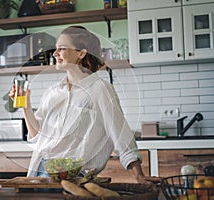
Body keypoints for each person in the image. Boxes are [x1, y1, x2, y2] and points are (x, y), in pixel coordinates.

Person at [9, 26, 161, 185]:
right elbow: (37, 138)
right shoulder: (52, 93)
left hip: (78, 179)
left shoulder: (100, 89)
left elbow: (121, 134)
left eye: (61, 48)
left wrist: (139, 175)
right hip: (40, 175)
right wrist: (25, 106)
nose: (54, 53)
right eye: (55, 49)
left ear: (81, 53)